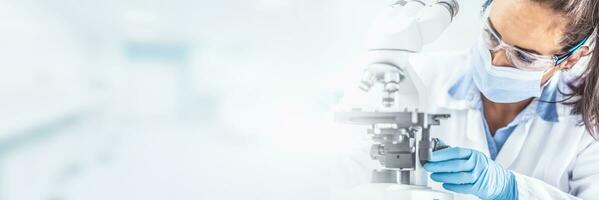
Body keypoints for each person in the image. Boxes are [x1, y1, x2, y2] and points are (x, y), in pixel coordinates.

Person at [402, 0, 599, 199]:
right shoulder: (414, 80)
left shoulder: (591, 123)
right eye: (491, 36)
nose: (494, 62)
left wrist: (510, 189)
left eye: (525, 57)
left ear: (571, 59)